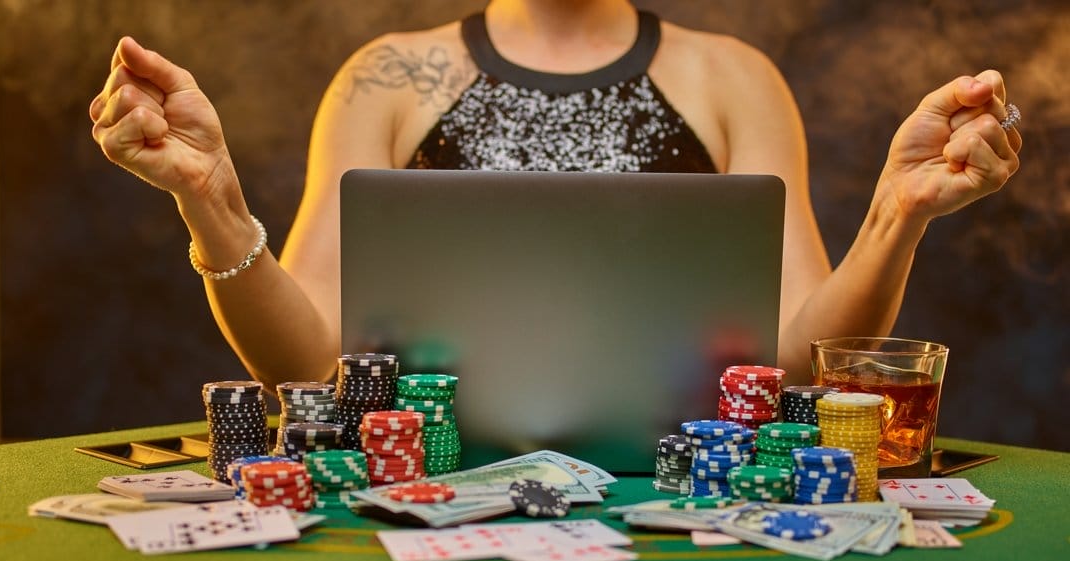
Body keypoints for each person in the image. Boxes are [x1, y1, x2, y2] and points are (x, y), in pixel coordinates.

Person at [89, 0, 1021, 390]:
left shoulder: (736, 78)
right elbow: (310, 365)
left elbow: (796, 358)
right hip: (428, 510)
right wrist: (210, 199)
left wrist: (899, 212)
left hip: (677, 516)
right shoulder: (385, 77)